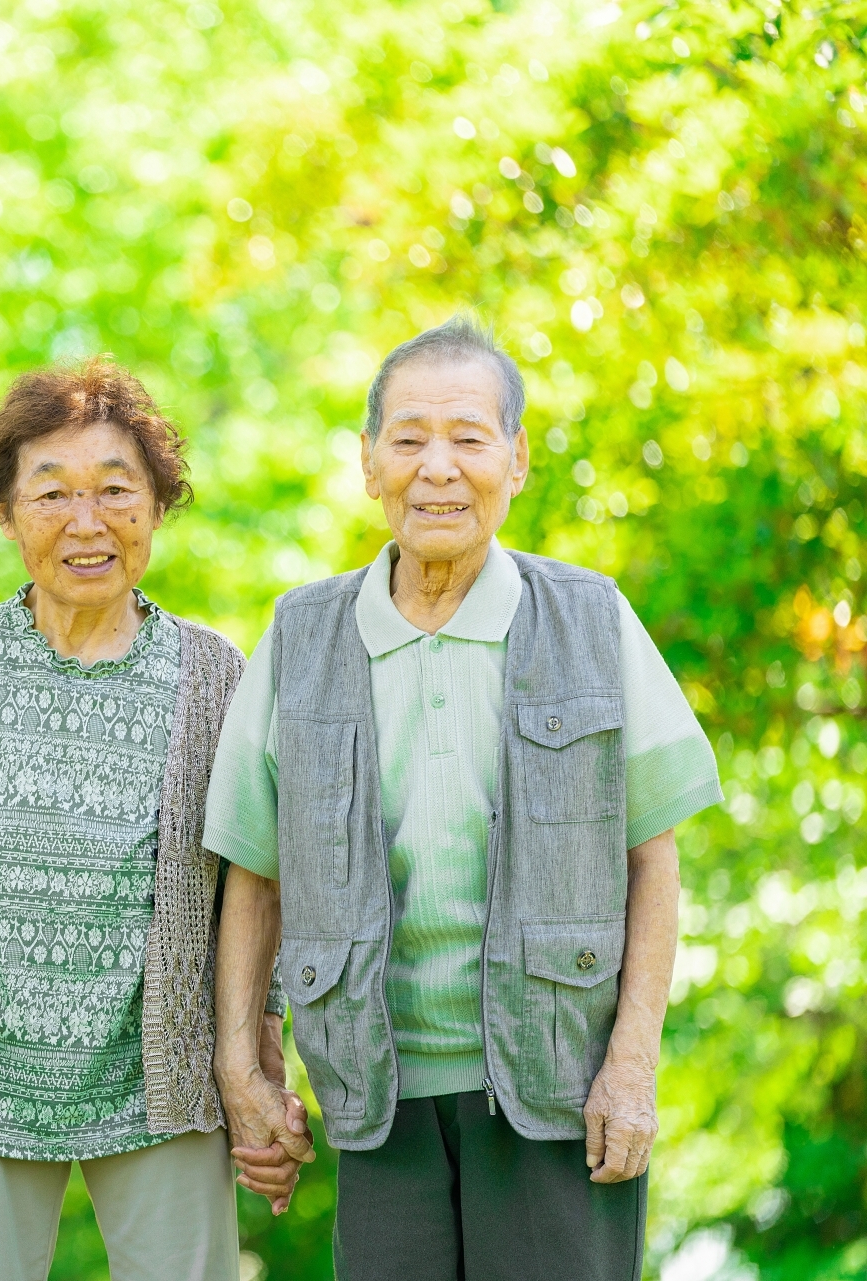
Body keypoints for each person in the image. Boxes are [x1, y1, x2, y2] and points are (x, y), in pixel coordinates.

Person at [205, 316, 722, 1279]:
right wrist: (244, 1064)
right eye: (408, 439)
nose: (436, 468)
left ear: (516, 459)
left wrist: (632, 1065)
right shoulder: (301, 635)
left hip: (559, 1088)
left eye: (468, 438)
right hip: (375, 1092)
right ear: (368, 462)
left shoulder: (592, 618)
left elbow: (652, 858)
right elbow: (255, 875)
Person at [0, 358, 305, 1281]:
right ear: (6, 513)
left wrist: (262, 1073)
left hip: (162, 1088)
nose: (87, 522)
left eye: (116, 489)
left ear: (157, 505)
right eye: (51, 493)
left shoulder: (216, 678)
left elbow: (256, 890)